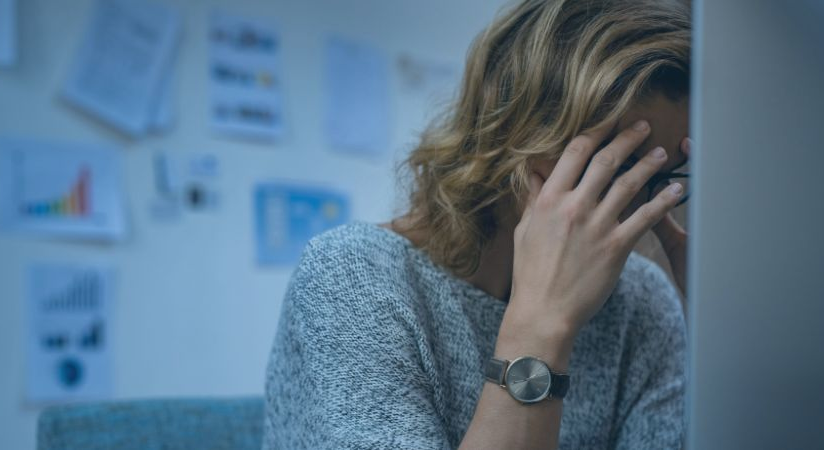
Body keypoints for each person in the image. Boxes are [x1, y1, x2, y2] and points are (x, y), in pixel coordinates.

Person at [263, 0, 691, 448]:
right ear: (515, 132)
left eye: (662, 179)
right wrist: (541, 327)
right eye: (616, 169)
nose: (638, 209)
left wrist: (729, 337)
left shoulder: (643, 301)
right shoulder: (351, 278)